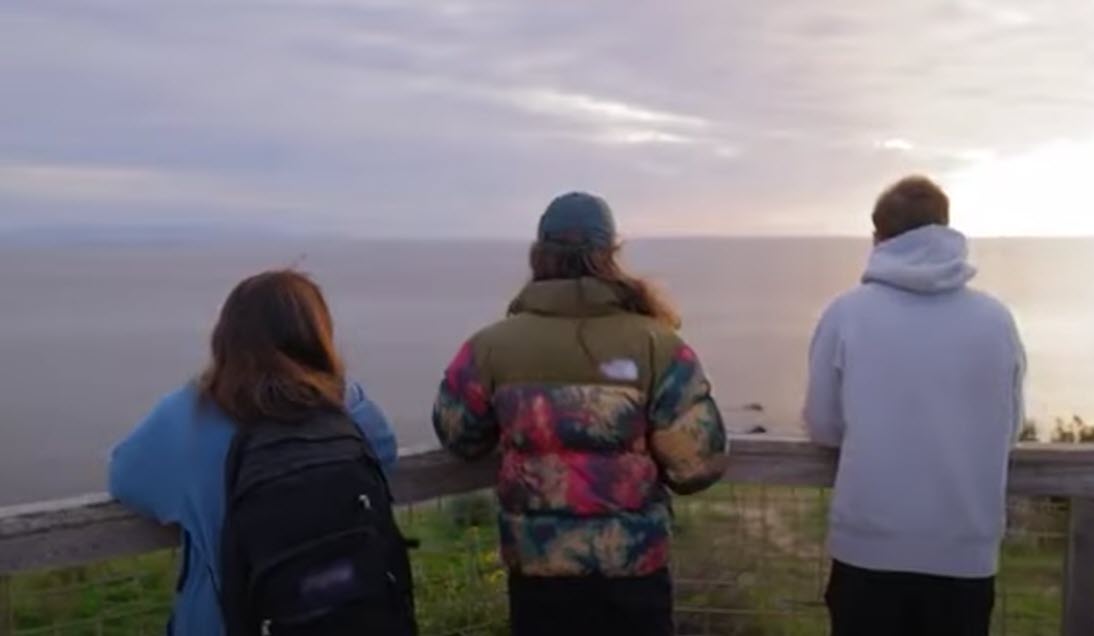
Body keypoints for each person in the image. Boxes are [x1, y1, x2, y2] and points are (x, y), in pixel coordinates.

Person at [432, 192, 729, 636]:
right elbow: (696, 464)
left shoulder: (489, 348)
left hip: (539, 574)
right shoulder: (658, 345)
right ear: (610, 255)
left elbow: (459, 436)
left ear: (539, 255)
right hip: (632, 572)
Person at [109, 270, 410, 636]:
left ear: (226, 337)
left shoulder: (188, 415)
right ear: (317, 335)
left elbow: (124, 477)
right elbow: (385, 455)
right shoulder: (348, 407)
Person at [803, 176, 1026, 636]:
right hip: (965, 551)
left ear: (877, 238)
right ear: (945, 230)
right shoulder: (996, 320)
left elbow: (824, 426)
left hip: (867, 549)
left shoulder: (846, 314)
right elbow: (1010, 428)